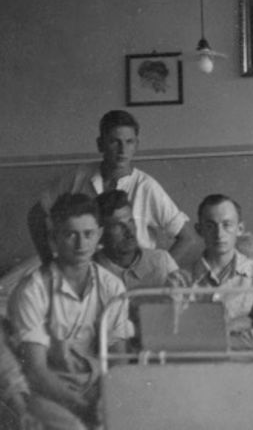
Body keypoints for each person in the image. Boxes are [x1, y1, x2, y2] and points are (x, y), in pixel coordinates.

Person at [8, 193, 132, 429]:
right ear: (54, 238)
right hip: (49, 392)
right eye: (70, 235)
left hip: (99, 388)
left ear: (100, 235)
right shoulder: (32, 291)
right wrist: (83, 407)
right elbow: (36, 371)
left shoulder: (112, 286)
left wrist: (105, 400)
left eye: (88, 234)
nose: (81, 244)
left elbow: (118, 359)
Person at [27, 110, 196, 267]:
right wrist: (47, 261)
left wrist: (154, 272)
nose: (122, 150)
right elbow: (36, 216)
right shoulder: (79, 176)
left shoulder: (146, 186)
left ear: (136, 145)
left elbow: (186, 238)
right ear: (100, 144)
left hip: (131, 274)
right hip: (89, 273)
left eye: (129, 142)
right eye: (115, 142)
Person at [171, 194, 253, 351]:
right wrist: (233, 325)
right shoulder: (179, 280)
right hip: (200, 367)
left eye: (227, 225)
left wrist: (209, 339)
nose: (219, 234)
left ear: (240, 229)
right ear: (199, 230)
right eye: (210, 226)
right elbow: (171, 338)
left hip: (247, 366)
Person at [94, 190, 180, 293]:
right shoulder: (91, 270)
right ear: (100, 233)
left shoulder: (162, 261)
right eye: (118, 225)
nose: (129, 231)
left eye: (131, 221)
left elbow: (183, 300)